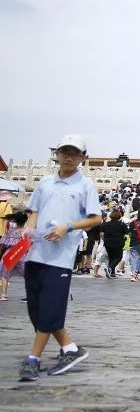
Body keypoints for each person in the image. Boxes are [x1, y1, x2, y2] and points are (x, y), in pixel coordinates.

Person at [17, 135, 102, 382]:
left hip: (61, 257)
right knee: (36, 310)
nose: (69, 157)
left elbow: (96, 218)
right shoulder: (45, 182)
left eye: (74, 153)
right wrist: (28, 228)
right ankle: (70, 348)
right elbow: (34, 210)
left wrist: (68, 227)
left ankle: (33, 359)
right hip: (36, 253)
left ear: (83, 158)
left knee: (49, 309)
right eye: (65, 152)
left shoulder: (85, 185)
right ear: (57, 154)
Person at [1, 210, 30, 302]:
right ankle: (29, 295)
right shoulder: (26, 231)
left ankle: (4, 294)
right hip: (22, 255)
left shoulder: (10, 229)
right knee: (28, 275)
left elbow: (3, 243)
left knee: (5, 273)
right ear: (26, 220)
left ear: (15, 220)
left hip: (10, 254)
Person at [100, 209, 128, 279]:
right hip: (118, 243)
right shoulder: (122, 224)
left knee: (111, 258)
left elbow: (102, 234)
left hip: (107, 243)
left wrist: (105, 240)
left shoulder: (105, 224)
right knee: (119, 257)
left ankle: (112, 273)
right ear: (119, 216)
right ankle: (110, 268)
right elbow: (127, 233)